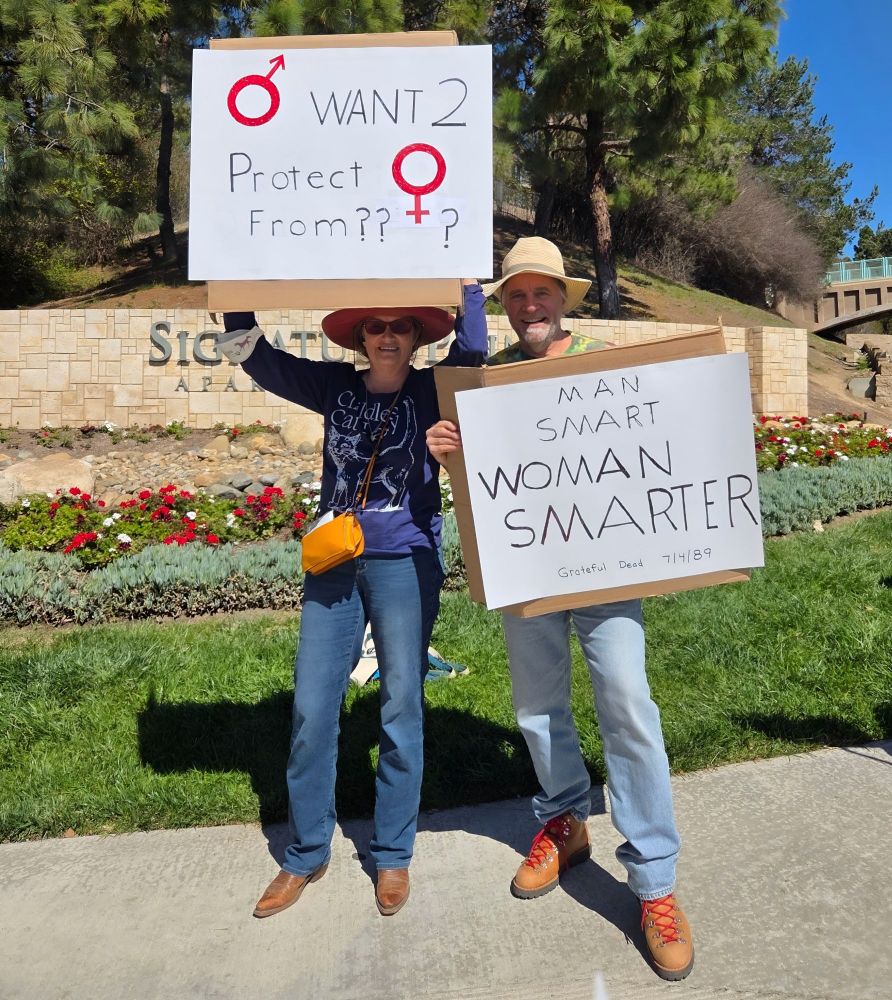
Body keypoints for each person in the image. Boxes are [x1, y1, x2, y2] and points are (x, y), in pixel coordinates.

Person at [425, 238, 694, 982]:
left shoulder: (606, 364)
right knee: (538, 707)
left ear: (562, 299)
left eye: (540, 291)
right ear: (506, 306)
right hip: (527, 566)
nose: (529, 305)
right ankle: (565, 822)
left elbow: (665, 435)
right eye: (516, 295)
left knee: (627, 703)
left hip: (607, 566)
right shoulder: (488, 379)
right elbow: (484, 474)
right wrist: (448, 447)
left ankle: (655, 883)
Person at [220, 280, 486, 919]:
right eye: (375, 326)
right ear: (361, 337)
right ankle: (305, 852)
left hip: (407, 561)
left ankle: (392, 853)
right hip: (335, 561)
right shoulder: (334, 386)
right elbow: (258, 357)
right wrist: (233, 286)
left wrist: (471, 292)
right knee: (312, 706)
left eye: (400, 325)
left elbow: (473, 351)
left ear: (417, 336)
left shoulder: (432, 389)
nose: (388, 335)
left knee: (401, 702)